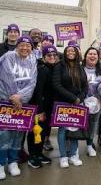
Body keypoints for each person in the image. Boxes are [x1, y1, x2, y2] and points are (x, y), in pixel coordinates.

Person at [0, 36, 37, 180]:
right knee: (3, 134)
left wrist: (20, 97)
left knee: (18, 133)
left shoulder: (32, 61)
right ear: (17, 46)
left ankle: (13, 162)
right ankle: (1, 163)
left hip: (22, 104)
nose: (25, 48)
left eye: (28, 46)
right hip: (5, 101)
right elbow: (5, 78)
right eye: (22, 45)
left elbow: (32, 83)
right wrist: (13, 97)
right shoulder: (8, 57)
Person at [52, 44, 88, 168]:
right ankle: (63, 156)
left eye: (73, 50)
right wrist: (73, 98)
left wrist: (81, 98)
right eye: (69, 50)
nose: (71, 52)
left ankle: (73, 155)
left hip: (77, 103)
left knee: (75, 129)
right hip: (63, 102)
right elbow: (56, 84)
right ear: (65, 52)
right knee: (62, 130)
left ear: (76, 53)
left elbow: (85, 85)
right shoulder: (60, 65)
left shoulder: (80, 66)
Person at [27, 45, 59, 169]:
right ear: (44, 57)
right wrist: (39, 110)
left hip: (48, 106)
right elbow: (38, 91)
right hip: (39, 107)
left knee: (43, 131)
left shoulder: (53, 68)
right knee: (35, 131)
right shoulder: (42, 69)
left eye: (54, 55)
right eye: (49, 55)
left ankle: (39, 153)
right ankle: (32, 156)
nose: (52, 57)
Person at [82, 47, 101, 157]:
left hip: (96, 103)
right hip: (81, 102)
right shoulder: (80, 69)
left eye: (95, 54)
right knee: (78, 124)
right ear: (86, 56)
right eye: (90, 54)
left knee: (93, 124)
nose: (92, 56)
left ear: (98, 57)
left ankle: (89, 144)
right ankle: (72, 147)